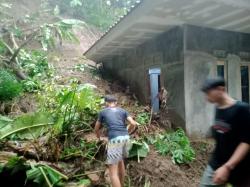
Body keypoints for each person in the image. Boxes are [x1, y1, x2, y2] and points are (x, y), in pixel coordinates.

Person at [200, 78, 250, 187]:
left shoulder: (242, 109)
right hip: (217, 163)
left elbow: (246, 142)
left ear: (220, 89)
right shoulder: (218, 108)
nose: (206, 97)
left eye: (208, 93)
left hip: (240, 167)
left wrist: (227, 167)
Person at [95, 95, 139, 187]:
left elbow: (96, 128)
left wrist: (99, 138)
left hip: (115, 140)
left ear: (106, 103)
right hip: (126, 138)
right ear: (115, 103)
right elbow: (133, 123)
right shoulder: (123, 111)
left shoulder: (103, 112)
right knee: (120, 161)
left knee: (113, 173)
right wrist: (127, 132)